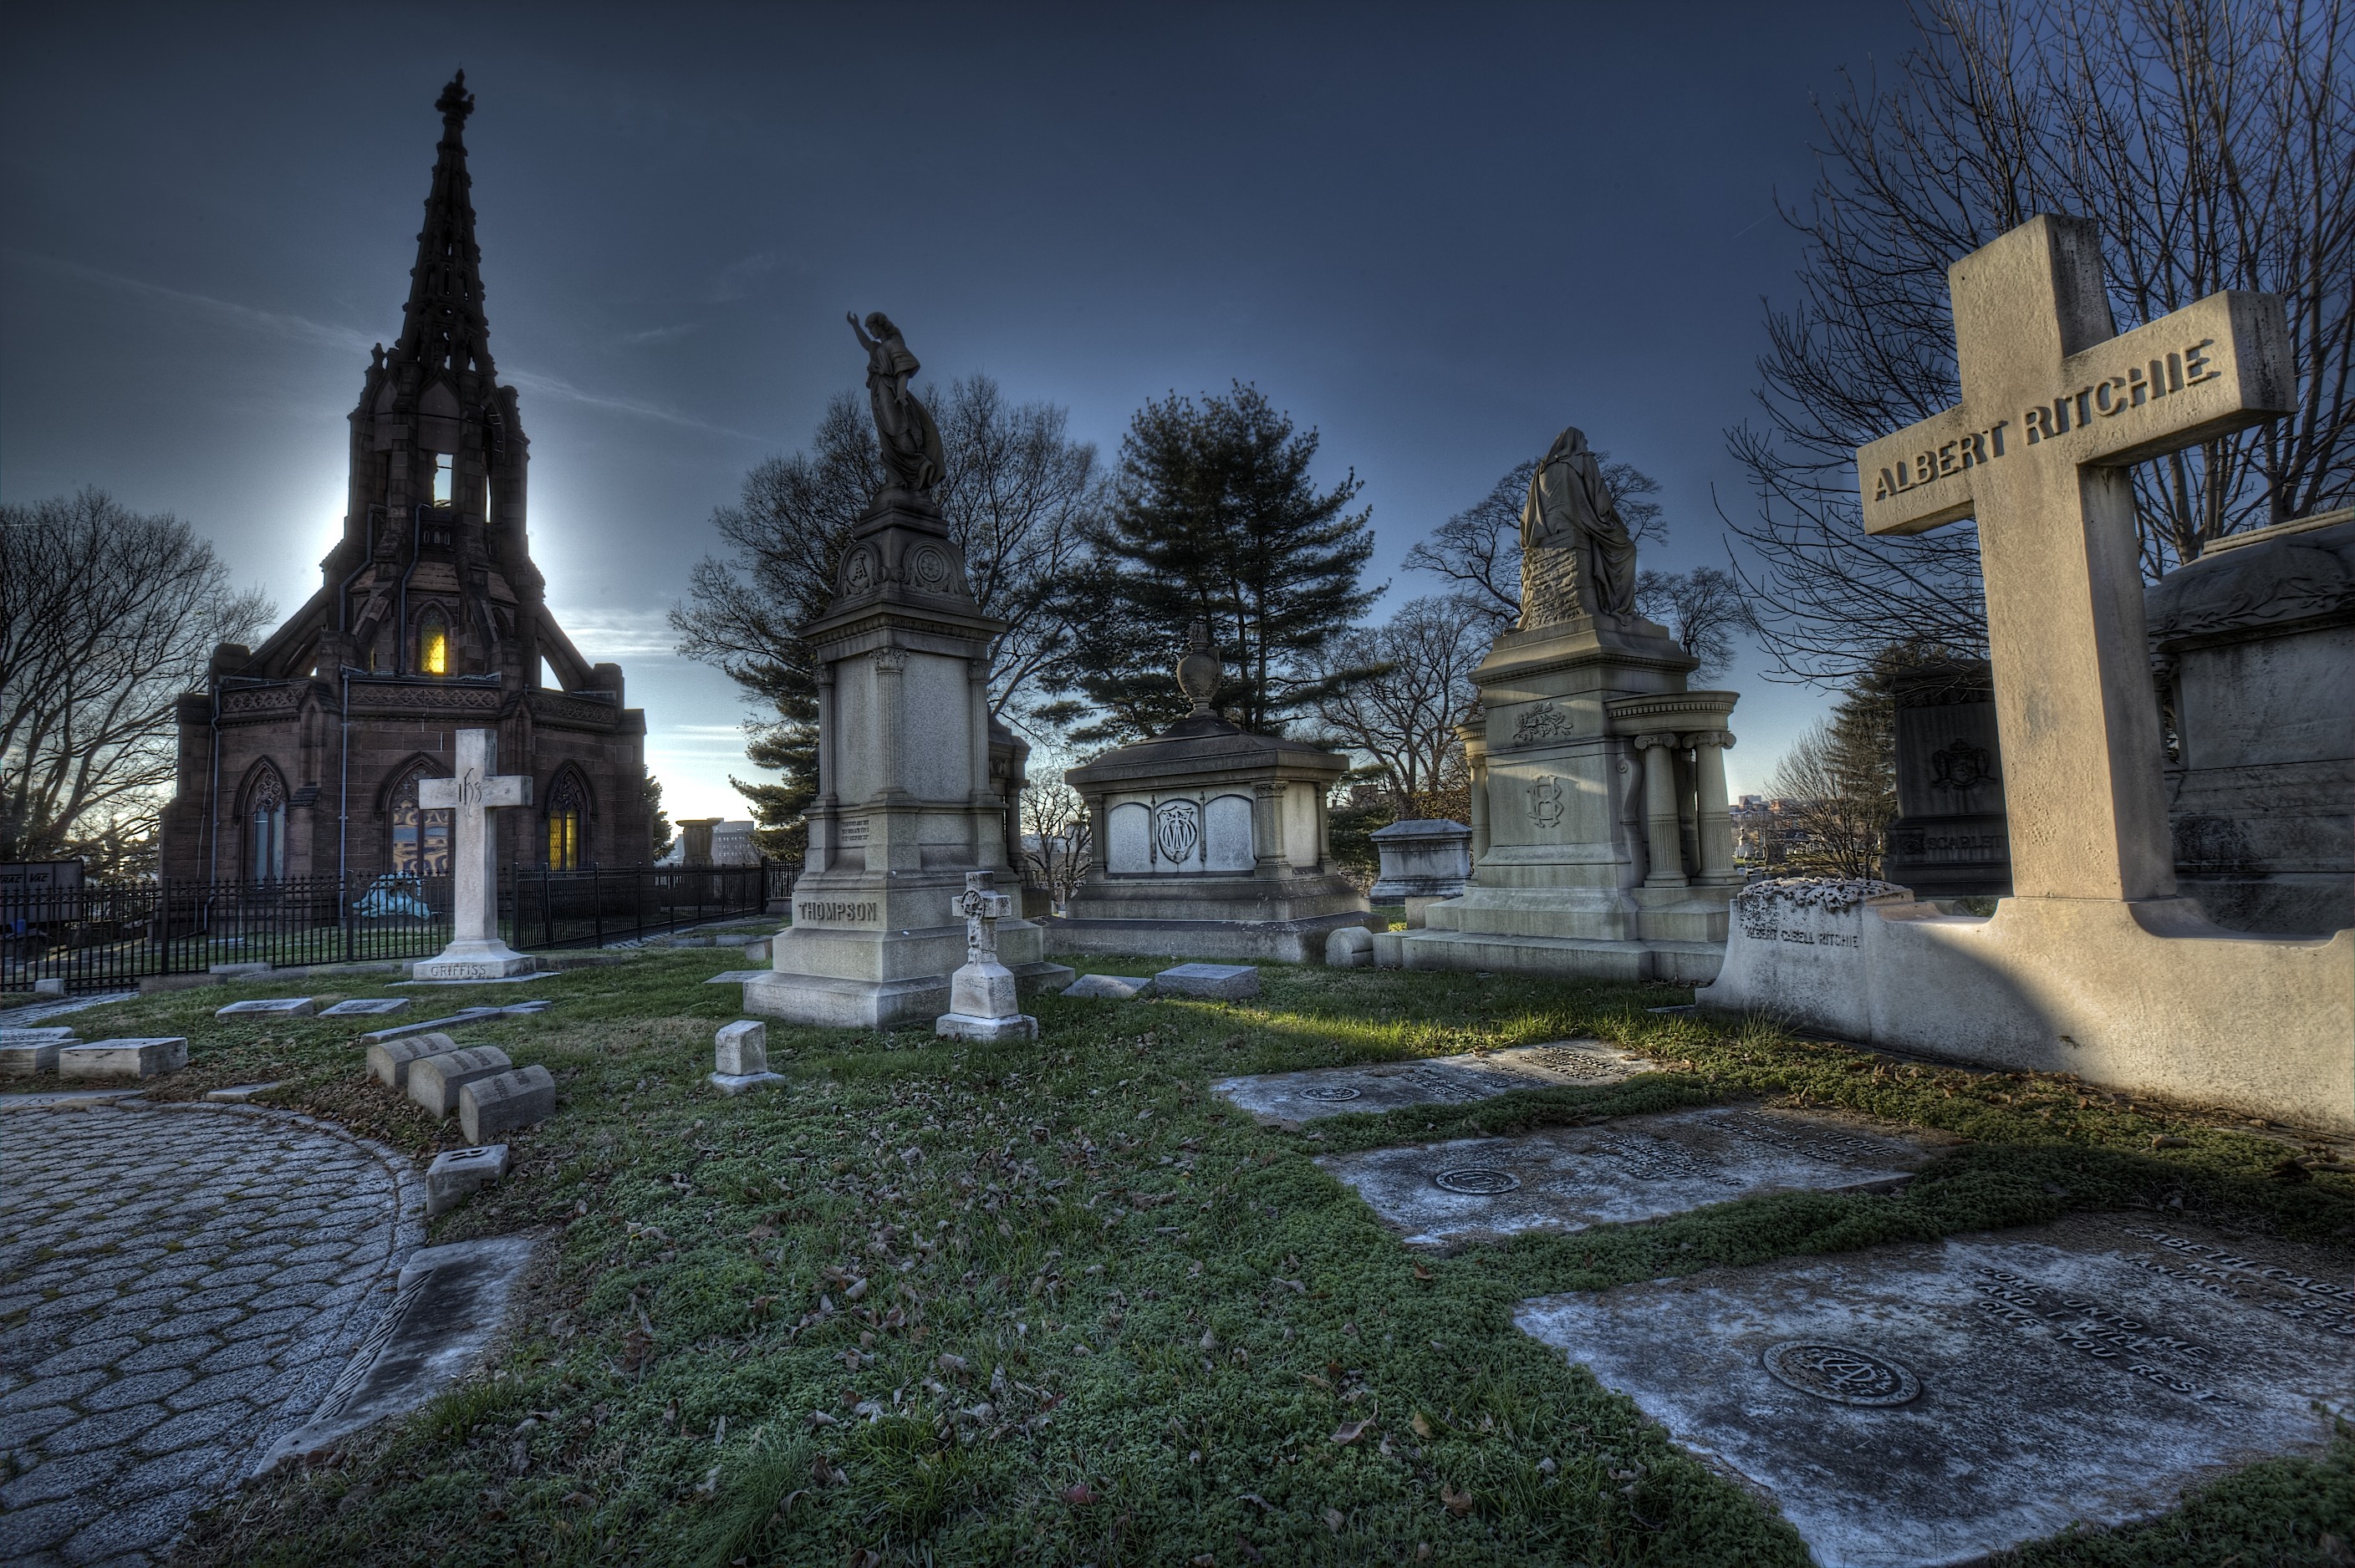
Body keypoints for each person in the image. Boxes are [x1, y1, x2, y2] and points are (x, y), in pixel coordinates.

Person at [1519, 425, 1639, 625]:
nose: (1586, 445)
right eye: (1584, 441)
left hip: (1546, 536)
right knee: (1627, 549)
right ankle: (1618, 607)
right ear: (1576, 442)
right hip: (1586, 524)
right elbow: (1600, 501)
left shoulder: (1541, 471)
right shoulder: (1583, 461)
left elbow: (1528, 514)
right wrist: (1611, 522)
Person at [848, 311, 947, 494]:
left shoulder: (893, 344)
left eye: (871, 327)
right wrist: (855, 325)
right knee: (886, 437)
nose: (870, 332)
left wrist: (901, 394)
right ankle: (896, 478)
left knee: (896, 430)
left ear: (880, 325)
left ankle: (919, 467)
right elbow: (866, 344)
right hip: (878, 393)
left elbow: (903, 371)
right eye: (868, 328)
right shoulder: (877, 348)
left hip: (889, 391)